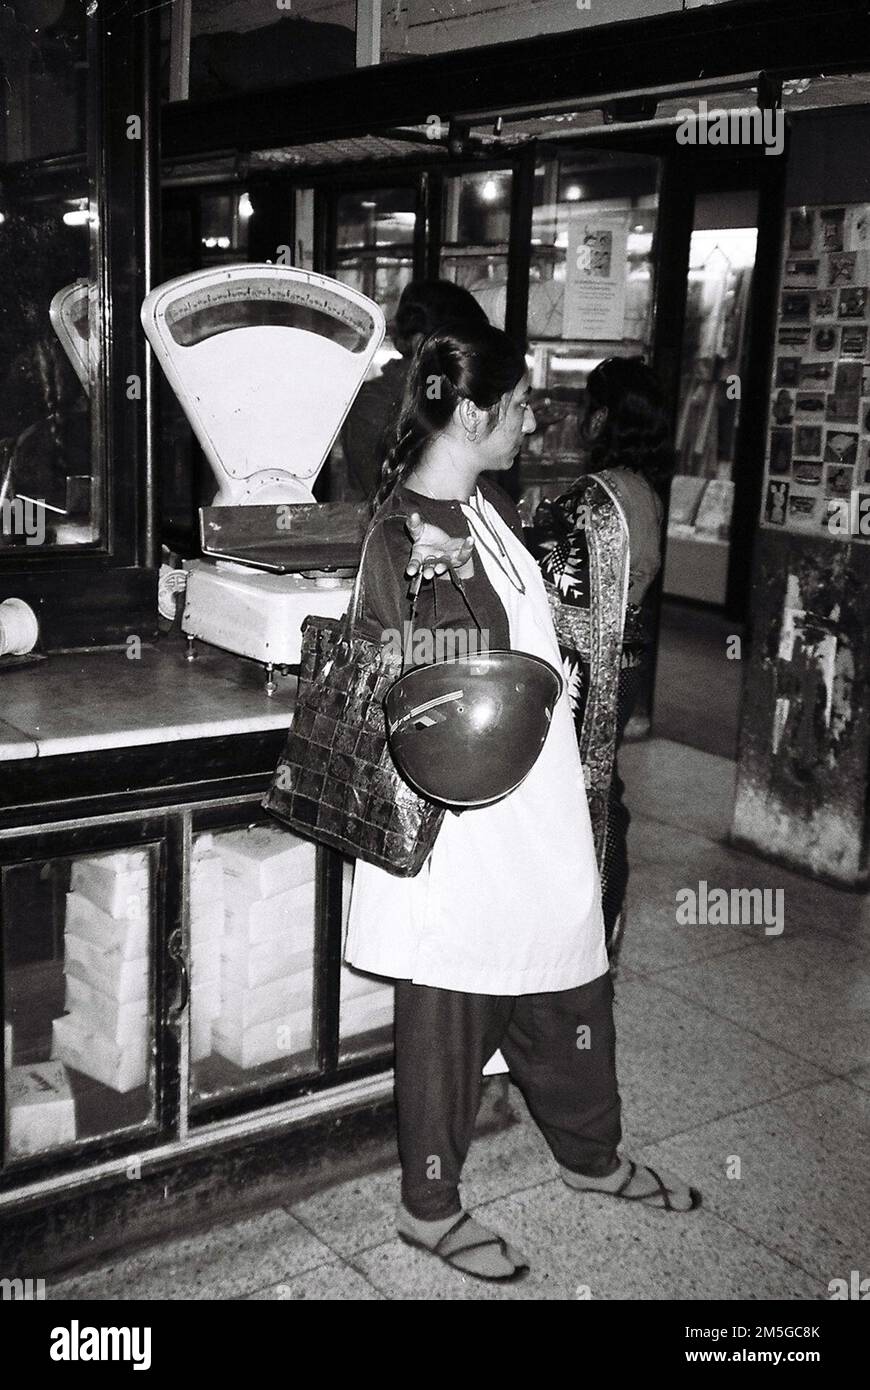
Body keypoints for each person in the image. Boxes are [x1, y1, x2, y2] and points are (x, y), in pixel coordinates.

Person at [344, 326, 697, 1283]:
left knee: (566, 963)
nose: (537, 419)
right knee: (454, 1000)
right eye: (521, 405)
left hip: (531, 808)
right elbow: (401, 683)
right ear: (470, 415)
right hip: (463, 828)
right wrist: (429, 601)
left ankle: (589, 1153)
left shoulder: (487, 508)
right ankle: (429, 1207)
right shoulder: (403, 532)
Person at [533, 357, 674, 966]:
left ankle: (584, 932)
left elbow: (555, 583)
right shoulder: (643, 490)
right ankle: (600, 929)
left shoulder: (598, 497)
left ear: (604, 417)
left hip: (592, 666)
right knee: (602, 788)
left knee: (582, 793)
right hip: (627, 659)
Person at [340, 278, 488, 500]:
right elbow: (394, 495)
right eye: (460, 349)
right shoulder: (373, 403)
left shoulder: (442, 393)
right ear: (421, 344)